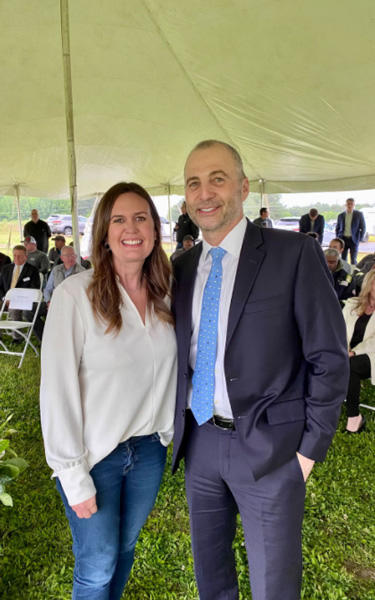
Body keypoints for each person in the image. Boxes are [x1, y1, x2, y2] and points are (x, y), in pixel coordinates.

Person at [171, 140, 348, 600]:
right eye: (194, 183)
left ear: (244, 187)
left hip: (271, 450)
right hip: (201, 441)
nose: (205, 193)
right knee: (211, 578)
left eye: (218, 179)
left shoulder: (293, 253)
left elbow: (328, 357)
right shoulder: (182, 266)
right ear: (186, 197)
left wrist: (308, 453)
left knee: (274, 585)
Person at [40, 182, 177, 600]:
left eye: (141, 218)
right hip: (95, 456)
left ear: (154, 229)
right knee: (97, 565)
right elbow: (56, 391)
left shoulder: (166, 295)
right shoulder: (74, 296)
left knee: (125, 550)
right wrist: (72, 475)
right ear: (103, 232)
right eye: (119, 219)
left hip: (149, 452)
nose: (131, 228)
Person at [342, 270, 375, 433]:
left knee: (350, 365)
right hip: (345, 352)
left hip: (371, 355)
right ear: (369, 284)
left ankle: (354, 418)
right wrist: (343, 348)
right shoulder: (352, 303)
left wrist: (354, 352)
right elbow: (338, 328)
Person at [0, 245, 43, 342]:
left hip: (22, 299)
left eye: (19, 256)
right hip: (5, 299)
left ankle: (17, 337)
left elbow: (34, 288)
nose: (16, 258)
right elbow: (0, 286)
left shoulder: (32, 270)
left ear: (26, 257)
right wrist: (4, 298)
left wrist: (15, 298)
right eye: (14, 255)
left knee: (14, 308)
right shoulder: (6, 269)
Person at [335, 198, 366, 265]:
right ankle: (344, 274)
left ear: (354, 205)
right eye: (348, 204)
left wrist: (360, 239)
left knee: (353, 259)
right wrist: (338, 238)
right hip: (343, 239)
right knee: (343, 259)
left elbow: (363, 227)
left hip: (354, 240)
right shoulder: (340, 215)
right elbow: (337, 228)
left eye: (351, 204)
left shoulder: (359, 214)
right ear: (345, 205)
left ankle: (353, 274)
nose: (349, 205)